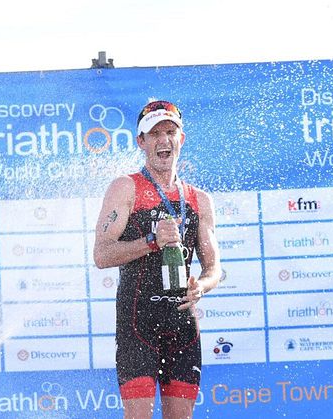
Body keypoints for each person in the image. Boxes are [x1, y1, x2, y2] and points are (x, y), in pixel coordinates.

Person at [93, 99, 222, 419]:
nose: (164, 140)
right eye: (155, 134)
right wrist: (150, 242)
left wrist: (201, 287)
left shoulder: (199, 200)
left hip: (182, 322)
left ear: (181, 138)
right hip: (138, 322)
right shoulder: (126, 188)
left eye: (170, 132)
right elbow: (101, 254)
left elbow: (215, 268)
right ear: (142, 142)